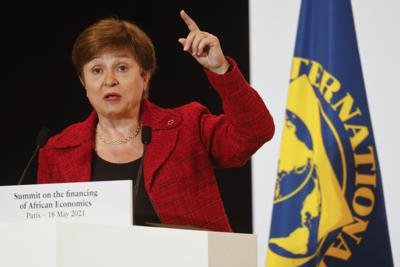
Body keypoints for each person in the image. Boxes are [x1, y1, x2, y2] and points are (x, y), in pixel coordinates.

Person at [37, 10, 274, 232]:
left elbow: (254, 132)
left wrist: (220, 69)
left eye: (121, 68)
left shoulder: (187, 127)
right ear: (83, 82)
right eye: (97, 70)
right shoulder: (57, 151)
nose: (109, 80)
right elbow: (47, 236)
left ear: (144, 77)